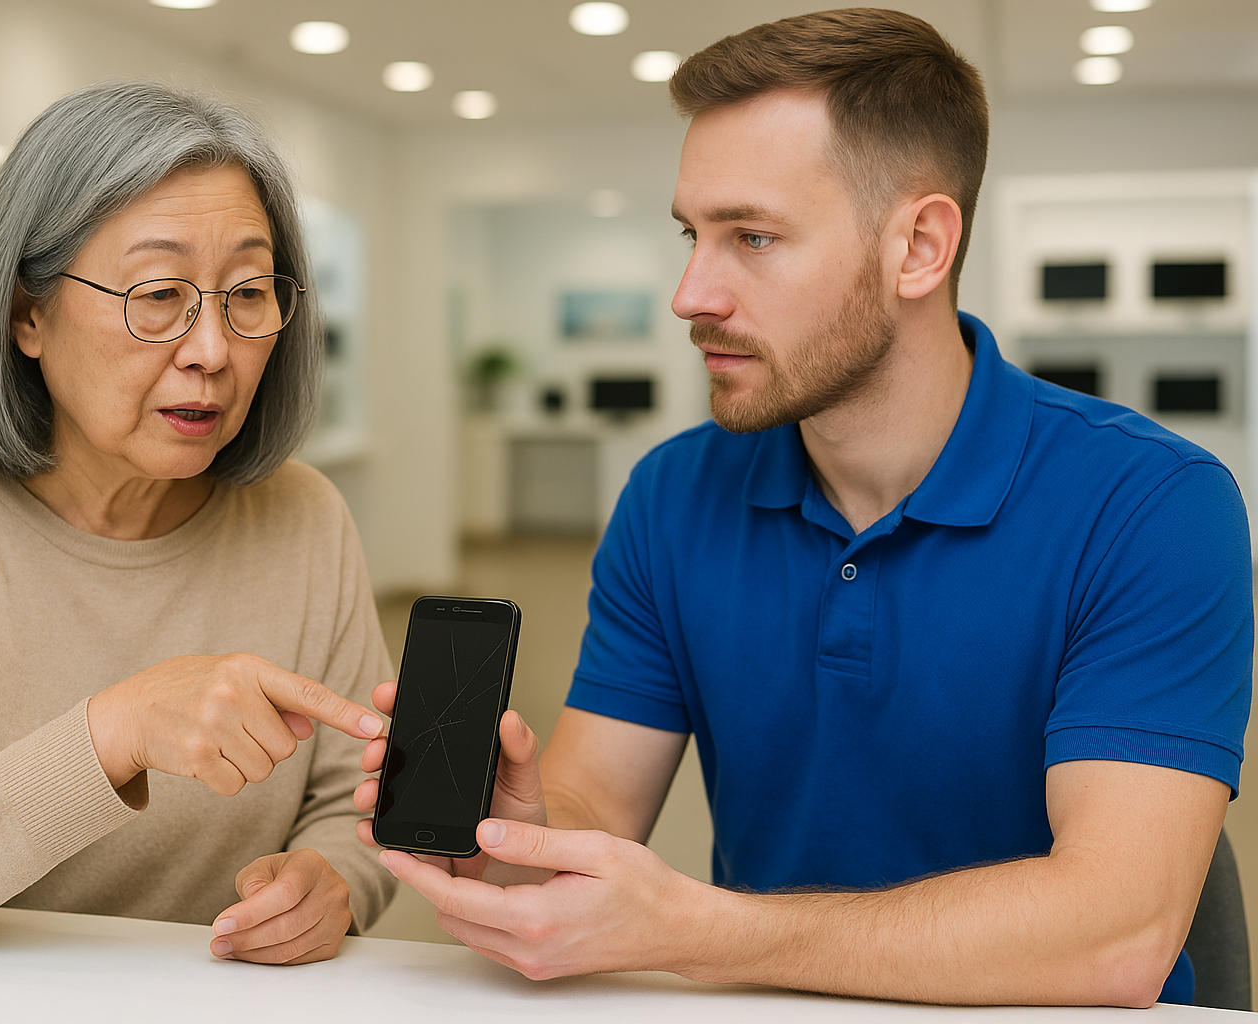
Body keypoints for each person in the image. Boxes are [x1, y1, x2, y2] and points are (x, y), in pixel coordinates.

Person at [355, 8, 1252, 1007]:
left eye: (753, 236)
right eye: (692, 235)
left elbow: (1115, 931)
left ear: (919, 246)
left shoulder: (1151, 505)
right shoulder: (672, 494)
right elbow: (594, 803)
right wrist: (517, 837)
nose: (691, 293)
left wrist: (701, 930)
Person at [0, 81, 395, 962]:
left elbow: (351, 803)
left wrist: (333, 881)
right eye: (156, 294)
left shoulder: (304, 515)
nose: (212, 351)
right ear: (25, 312)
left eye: (248, 293)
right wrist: (118, 731)